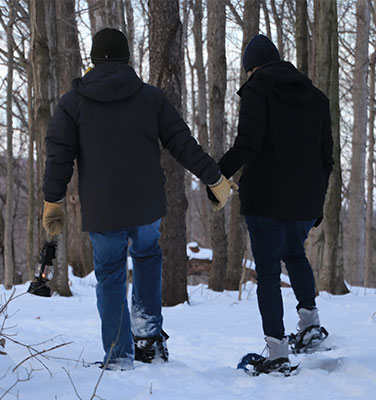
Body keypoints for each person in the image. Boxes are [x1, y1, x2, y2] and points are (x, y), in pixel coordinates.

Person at [42, 28, 236, 370]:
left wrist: (53, 201)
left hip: (103, 209)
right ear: (127, 57)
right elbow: (181, 142)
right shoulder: (150, 98)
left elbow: (59, 155)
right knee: (146, 258)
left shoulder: (73, 103)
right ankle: (148, 340)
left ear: (93, 59)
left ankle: (118, 354)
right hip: (146, 204)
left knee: (111, 275)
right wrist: (213, 177)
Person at [208, 34, 333, 374]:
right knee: (294, 254)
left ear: (251, 68)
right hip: (305, 200)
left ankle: (277, 350)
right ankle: (309, 324)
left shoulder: (256, 90)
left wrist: (216, 176)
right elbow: (326, 158)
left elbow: (248, 143)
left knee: (267, 270)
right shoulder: (317, 98)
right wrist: (317, 200)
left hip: (265, 197)